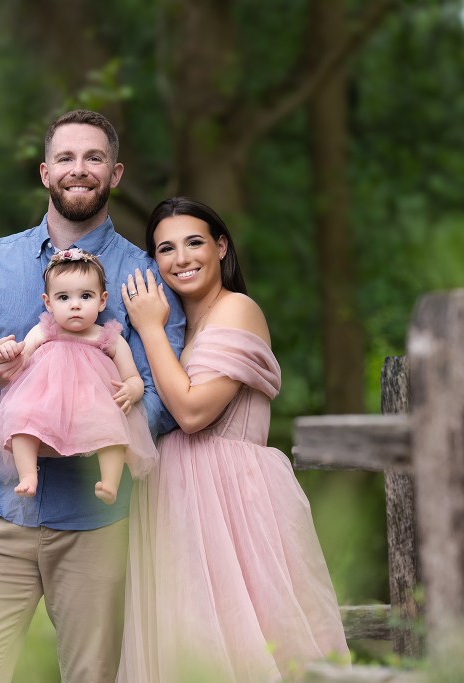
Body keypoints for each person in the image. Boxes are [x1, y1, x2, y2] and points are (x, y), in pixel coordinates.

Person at [0, 110, 185, 683]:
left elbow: (165, 396)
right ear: (45, 172)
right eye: (66, 158)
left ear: (116, 174)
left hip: (97, 516)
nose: (79, 169)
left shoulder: (145, 276)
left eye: (94, 158)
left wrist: (87, 432)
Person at [117, 197, 349, 682]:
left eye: (195, 242)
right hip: (173, 503)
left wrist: (148, 326)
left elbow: (192, 410)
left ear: (221, 247)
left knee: (245, 647)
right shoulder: (180, 325)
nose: (181, 258)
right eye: (165, 249)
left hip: (231, 505)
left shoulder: (237, 310)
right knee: (187, 651)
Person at [0, 248, 157, 505]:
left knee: (112, 427)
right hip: (45, 399)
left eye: (86, 296)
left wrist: (132, 390)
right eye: (63, 297)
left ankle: (109, 482)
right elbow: (21, 358)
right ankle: (27, 475)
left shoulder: (108, 336)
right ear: (48, 302)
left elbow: (133, 377)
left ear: (102, 301)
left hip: (91, 403)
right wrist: (8, 351)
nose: (75, 304)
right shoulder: (45, 329)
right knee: (20, 414)